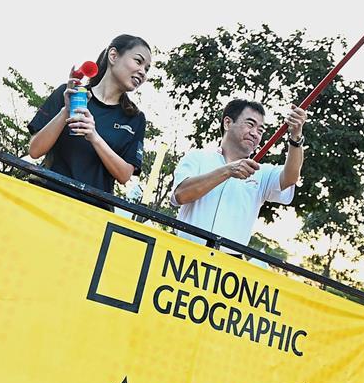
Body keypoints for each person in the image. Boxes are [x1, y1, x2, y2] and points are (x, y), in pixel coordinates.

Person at [28, 34, 150, 200]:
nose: (142, 72)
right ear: (113, 56)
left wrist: (94, 137)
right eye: (138, 61)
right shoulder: (68, 93)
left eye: (147, 68)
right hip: (45, 198)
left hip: (92, 214)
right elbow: (34, 151)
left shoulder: (135, 118)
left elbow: (124, 176)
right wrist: (66, 110)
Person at [171, 99, 306, 248]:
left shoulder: (261, 172)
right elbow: (181, 195)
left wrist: (296, 137)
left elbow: (291, 177)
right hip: (180, 257)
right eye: (250, 124)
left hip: (227, 266)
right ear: (227, 123)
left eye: (260, 130)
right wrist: (228, 171)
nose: (255, 134)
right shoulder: (197, 157)